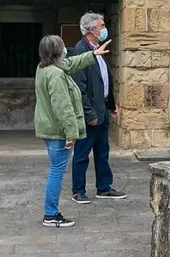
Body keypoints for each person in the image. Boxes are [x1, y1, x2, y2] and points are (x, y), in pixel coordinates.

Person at [34, 34, 111, 228]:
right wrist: (70, 134)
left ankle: (50, 212)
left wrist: (93, 54)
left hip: (47, 128)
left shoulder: (45, 68)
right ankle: (50, 214)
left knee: (56, 169)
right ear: (58, 51)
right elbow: (63, 107)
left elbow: (71, 63)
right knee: (57, 171)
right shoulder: (57, 75)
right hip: (58, 131)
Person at [70, 12, 127, 203]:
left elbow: (104, 80)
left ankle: (104, 187)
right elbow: (80, 86)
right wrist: (89, 113)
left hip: (101, 109)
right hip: (91, 112)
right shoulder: (81, 50)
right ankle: (78, 190)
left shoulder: (98, 48)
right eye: (101, 26)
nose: (104, 29)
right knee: (82, 152)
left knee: (102, 151)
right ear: (92, 29)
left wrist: (111, 105)